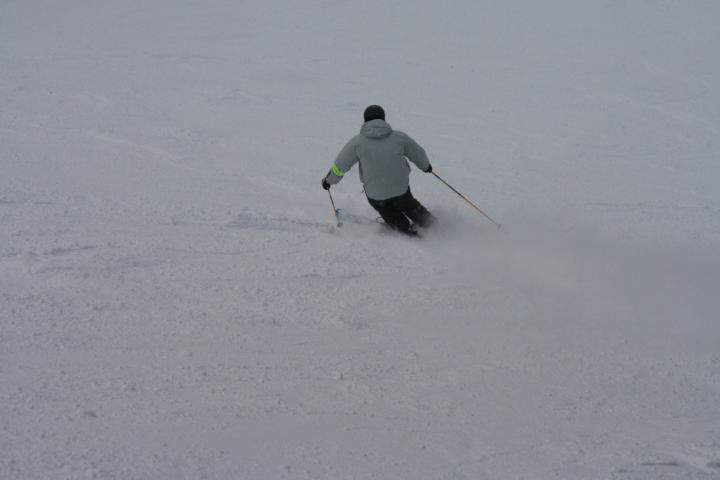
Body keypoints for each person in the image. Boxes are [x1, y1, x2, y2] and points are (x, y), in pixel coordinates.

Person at [322, 105, 435, 235]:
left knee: (386, 209)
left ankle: (403, 227)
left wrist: (328, 181)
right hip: (400, 189)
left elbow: (340, 165)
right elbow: (418, 153)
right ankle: (431, 224)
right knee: (408, 204)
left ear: (365, 120)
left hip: (376, 194)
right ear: (383, 119)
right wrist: (426, 167)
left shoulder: (356, 143)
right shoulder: (399, 137)